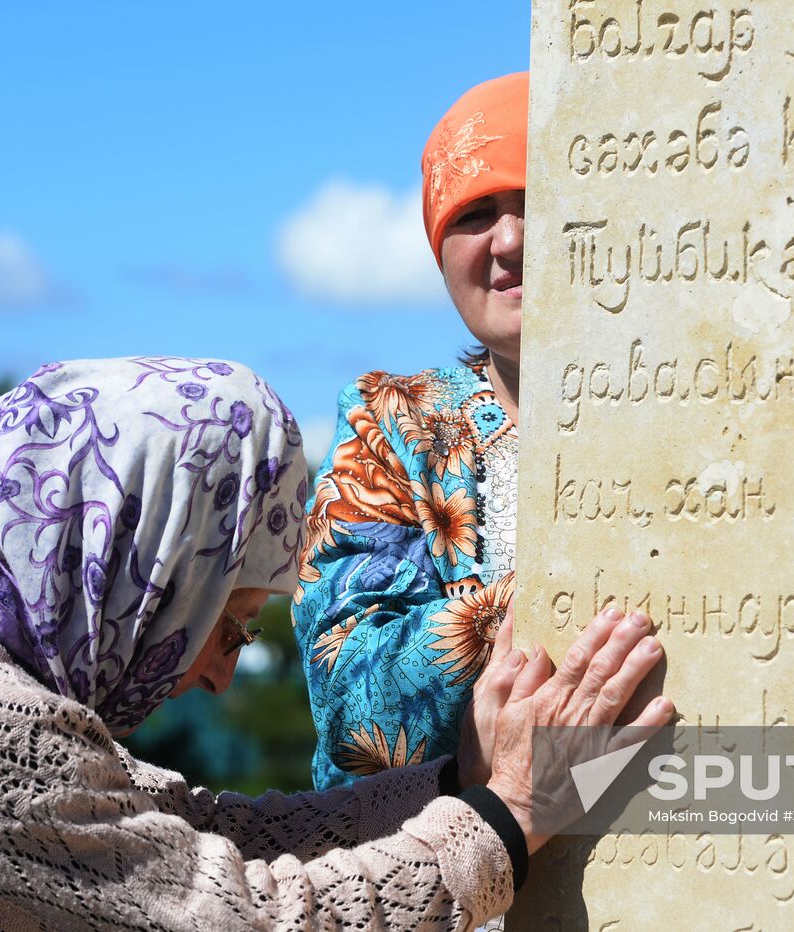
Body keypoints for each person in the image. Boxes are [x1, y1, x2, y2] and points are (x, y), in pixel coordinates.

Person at [0, 356, 671, 930]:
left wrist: (455, 781)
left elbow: (193, 827)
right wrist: (514, 811)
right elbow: (254, 920)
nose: (221, 673)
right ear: (149, 569)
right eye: (230, 619)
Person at [294, 72, 528, 790]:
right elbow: (352, 701)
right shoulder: (393, 427)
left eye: (541, 203)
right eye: (475, 214)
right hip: (465, 879)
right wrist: (542, 603)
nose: (510, 240)